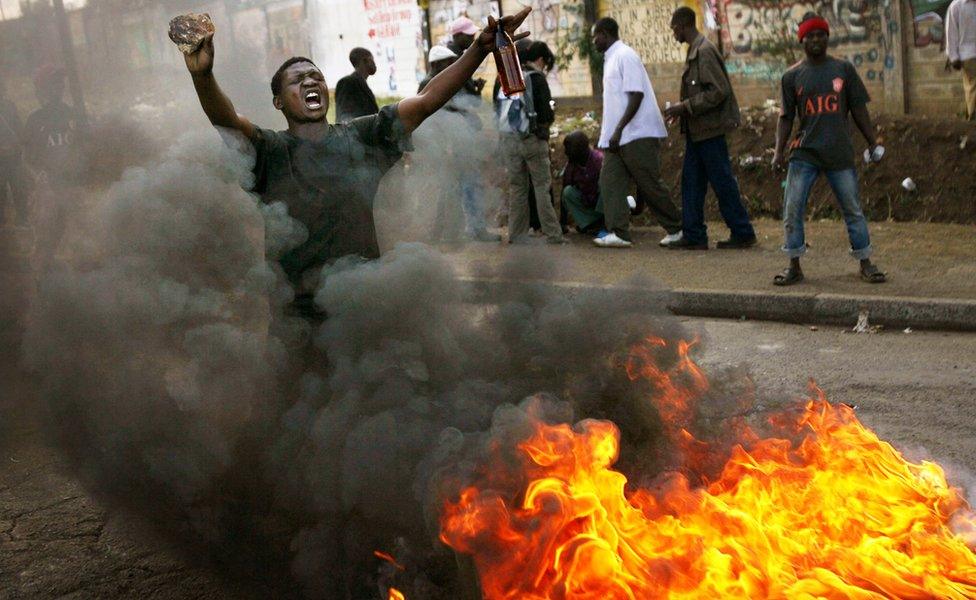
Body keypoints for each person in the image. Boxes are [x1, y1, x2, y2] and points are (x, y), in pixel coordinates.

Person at [179, 8, 532, 316]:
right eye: (297, 80)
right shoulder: (270, 151)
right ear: (278, 102)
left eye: (316, 77)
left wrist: (476, 51)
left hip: (362, 308)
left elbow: (425, 100)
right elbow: (226, 120)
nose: (310, 82)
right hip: (295, 313)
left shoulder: (363, 137)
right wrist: (202, 76)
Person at [771, 14, 886, 286]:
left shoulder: (843, 70)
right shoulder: (792, 76)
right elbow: (786, 117)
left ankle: (865, 262)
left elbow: (858, 109)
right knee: (793, 209)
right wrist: (777, 152)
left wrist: (872, 141)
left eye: (820, 34)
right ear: (802, 40)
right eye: (810, 36)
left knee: (853, 209)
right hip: (804, 152)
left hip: (838, 152)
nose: (815, 40)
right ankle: (794, 266)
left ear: (827, 37)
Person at [663, 7, 756, 250]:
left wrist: (684, 107)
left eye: (674, 29)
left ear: (683, 25)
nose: (673, 34)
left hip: (710, 132)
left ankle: (742, 232)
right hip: (699, 132)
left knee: (722, 182)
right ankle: (694, 235)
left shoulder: (704, 52)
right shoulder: (696, 50)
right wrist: (683, 111)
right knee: (692, 182)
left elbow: (718, 91)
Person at [591, 17, 682, 248]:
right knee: (609, 181)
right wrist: (612, 133)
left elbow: (636, 94)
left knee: (649, 183)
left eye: (595, 36)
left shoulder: (625, 55)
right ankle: (619, 233)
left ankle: (677, 229)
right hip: (616, 138)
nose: (594, 41)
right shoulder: (610, 59)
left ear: (605, 33)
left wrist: (619, 128)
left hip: (636, 134)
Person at [417, 45, 500, 242]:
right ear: (437, 64)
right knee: (452, 188)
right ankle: (450, 232)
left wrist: (476, 91)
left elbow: (469, 106)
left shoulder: (451, 80)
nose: (452, 64)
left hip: (461, 145)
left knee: (467, 185)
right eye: (448, 61)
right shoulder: (429, 84)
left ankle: (471, 230)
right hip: (447, 146)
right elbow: (431, 118)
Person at [497, 39, 565, 244]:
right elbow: (546, 114)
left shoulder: (504, 78)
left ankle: (516, 235)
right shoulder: (536, 78)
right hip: (532, 140)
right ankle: (553, 235)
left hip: (509, 141)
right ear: (540, 59)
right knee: (541, 187)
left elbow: (496, 109)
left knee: (517, 188)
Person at [24, 66, 84, 266]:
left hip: (73, 185)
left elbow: (84, 147)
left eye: (60, 83)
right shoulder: (35, 120)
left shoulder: (73, 113)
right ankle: (46, 278)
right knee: (48, 237)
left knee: (79, 235)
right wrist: (40, 181)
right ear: (42, 89)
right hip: (49, 188)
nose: (58, 87)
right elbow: (28, 158)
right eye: (52, 83)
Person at [561, 130, 604, 235]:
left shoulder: (599, 160)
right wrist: (562, 223)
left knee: (605, 183)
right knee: (568, 192)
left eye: (569, 149)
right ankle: (590, 223)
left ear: (581, 150)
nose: (566, 153)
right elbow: (564, 189)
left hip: (604, 205)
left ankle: (607, 222)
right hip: (589, 204)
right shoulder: (571, 166)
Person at [0, 77, 29, 227]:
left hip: (13, 159)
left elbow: (19, 130)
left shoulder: (10, 106)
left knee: (19, 191)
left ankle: (22, 223)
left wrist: (17, 144)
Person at [945, 0, 976, 120]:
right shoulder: (956, 6)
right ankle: (973, 118)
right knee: (973, 87)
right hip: (968, 55)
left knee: (972, 87)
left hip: (967, 54)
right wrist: (953, 57)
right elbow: (951, 33)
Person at [334, 47, 379, 123]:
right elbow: (344, 118)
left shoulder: (361, 83)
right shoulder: (347, 82)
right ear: (365, 61)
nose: (375, 64)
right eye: (372, 59)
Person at [446, 16, 487, 98]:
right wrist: (477, 91)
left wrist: (473, 83)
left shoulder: (459, 55)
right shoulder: (452, 59)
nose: (473, 39)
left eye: (473, 35)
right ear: (458, 35)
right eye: (469, 35)